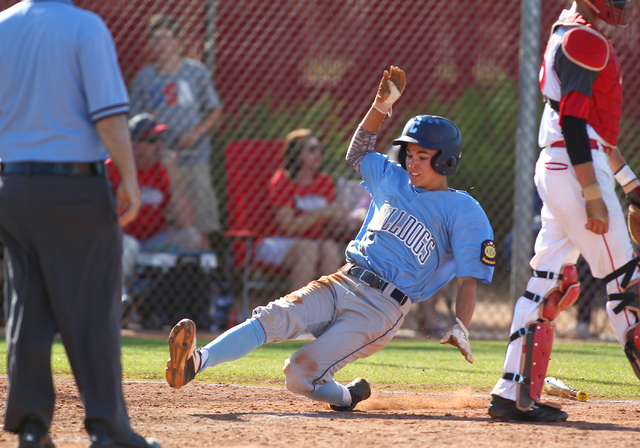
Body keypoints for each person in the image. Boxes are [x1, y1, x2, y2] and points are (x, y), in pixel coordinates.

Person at [164, 66, 495, 412]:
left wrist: (462, 325)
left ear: (447, 161)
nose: (412, 163)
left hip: (380, 309)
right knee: (270, 317)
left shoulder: (462, 209)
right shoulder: (392, 179)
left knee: (297, 373)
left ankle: (346, 397)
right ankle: (195, 362)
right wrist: (379, 107)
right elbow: (358, 153)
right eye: (410, 154)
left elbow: (468, 277)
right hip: (342, 280)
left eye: (423, 157)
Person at [0, 1, 160, 447]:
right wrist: (129, 177)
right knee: (92, 309)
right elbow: (108, 114)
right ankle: (107, 429)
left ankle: (31, 427)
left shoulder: (3, 26)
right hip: (73, 188)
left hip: (12, 186)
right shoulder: (84, 27)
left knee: (26, 309)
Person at [489, 0, 640, 423]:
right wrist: (593, 190)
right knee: (627, 285)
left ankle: (512, 393)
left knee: (548, 283)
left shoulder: (567, 31)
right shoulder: (583, 39)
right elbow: (575, 124)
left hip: (562, 166)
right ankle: (514, 395)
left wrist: (630, 185)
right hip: (577, 170)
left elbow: (589, 128)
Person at [129, 14, 223, 242]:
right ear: (150, 44)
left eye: (167, 38)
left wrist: (195, 133)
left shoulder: (195, 72)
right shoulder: (145, 78)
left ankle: (203, 271)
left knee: (200, 225)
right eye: (156, 39)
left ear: (178, 42)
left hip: (193, 157)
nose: (162, 45)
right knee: (166, 223)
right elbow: (135, 123)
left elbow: (214, 110)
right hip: (160, 162)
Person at [253, 129, 348, 290]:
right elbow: (288, 226)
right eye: (311, 149)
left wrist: (344, 219)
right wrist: (323, 212)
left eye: (319, 149)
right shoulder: (283, 180)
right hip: (277, 241)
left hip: (315, 241)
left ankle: (330, 309)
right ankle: (298, 311)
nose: (318, 154)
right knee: (307, 249)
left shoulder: (323, 181)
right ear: (296, 154)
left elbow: (330, 226)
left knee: (330, 248)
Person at [107, 113, 207, 253]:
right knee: (128, 246)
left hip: (154, 241)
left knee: (192, 236)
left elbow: (185, 221)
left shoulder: (164, 170)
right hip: (122, 241)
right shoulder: (112, 168)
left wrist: (173, 171)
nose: (159, 145)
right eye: (152, 140)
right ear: (133, 145)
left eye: (160, 139)